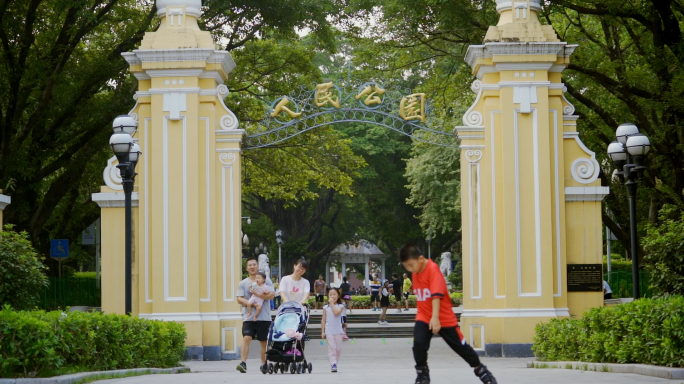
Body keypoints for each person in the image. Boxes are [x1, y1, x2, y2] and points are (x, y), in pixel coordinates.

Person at [400, 244, 497, 384]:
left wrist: (435, 318)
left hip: (442, 317)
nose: (410, 269)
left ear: (420, 258)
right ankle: (422, 374)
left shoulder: (433, 269)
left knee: (461, 347)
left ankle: (481, 370)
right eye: (406, 266)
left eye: (411, 265)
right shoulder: (415, 273)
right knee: (418, 344)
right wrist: (426, 318)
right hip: (424, 316)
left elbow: (436, 295)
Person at [236, 256, 276, 374]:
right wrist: (250, 303)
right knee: (246, 338)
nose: (252, 267)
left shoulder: (266, 280)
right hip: (248, 317)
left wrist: (257, 296)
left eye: (254, 265)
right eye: (250, 265)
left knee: (263, 341)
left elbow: (271, 295)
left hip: (264, 317)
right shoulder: (243, 283)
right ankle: (243, 363)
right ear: (247, 268)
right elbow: (239, 299)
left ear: (258, 267)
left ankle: (263, 364)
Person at [321, 288, 345, 372]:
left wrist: (332, 304)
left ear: (338, 296)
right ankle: (333, 363)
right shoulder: (325, 308)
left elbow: (336, 313)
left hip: (338, 330)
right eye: (330, 294)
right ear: (328, 296)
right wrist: (323, 332)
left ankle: (335, 362)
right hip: (329, 331)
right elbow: (323, 320)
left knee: (338, 349)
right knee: (332, 348)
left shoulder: (340, 306)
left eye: (334, 294)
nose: (332, 296)